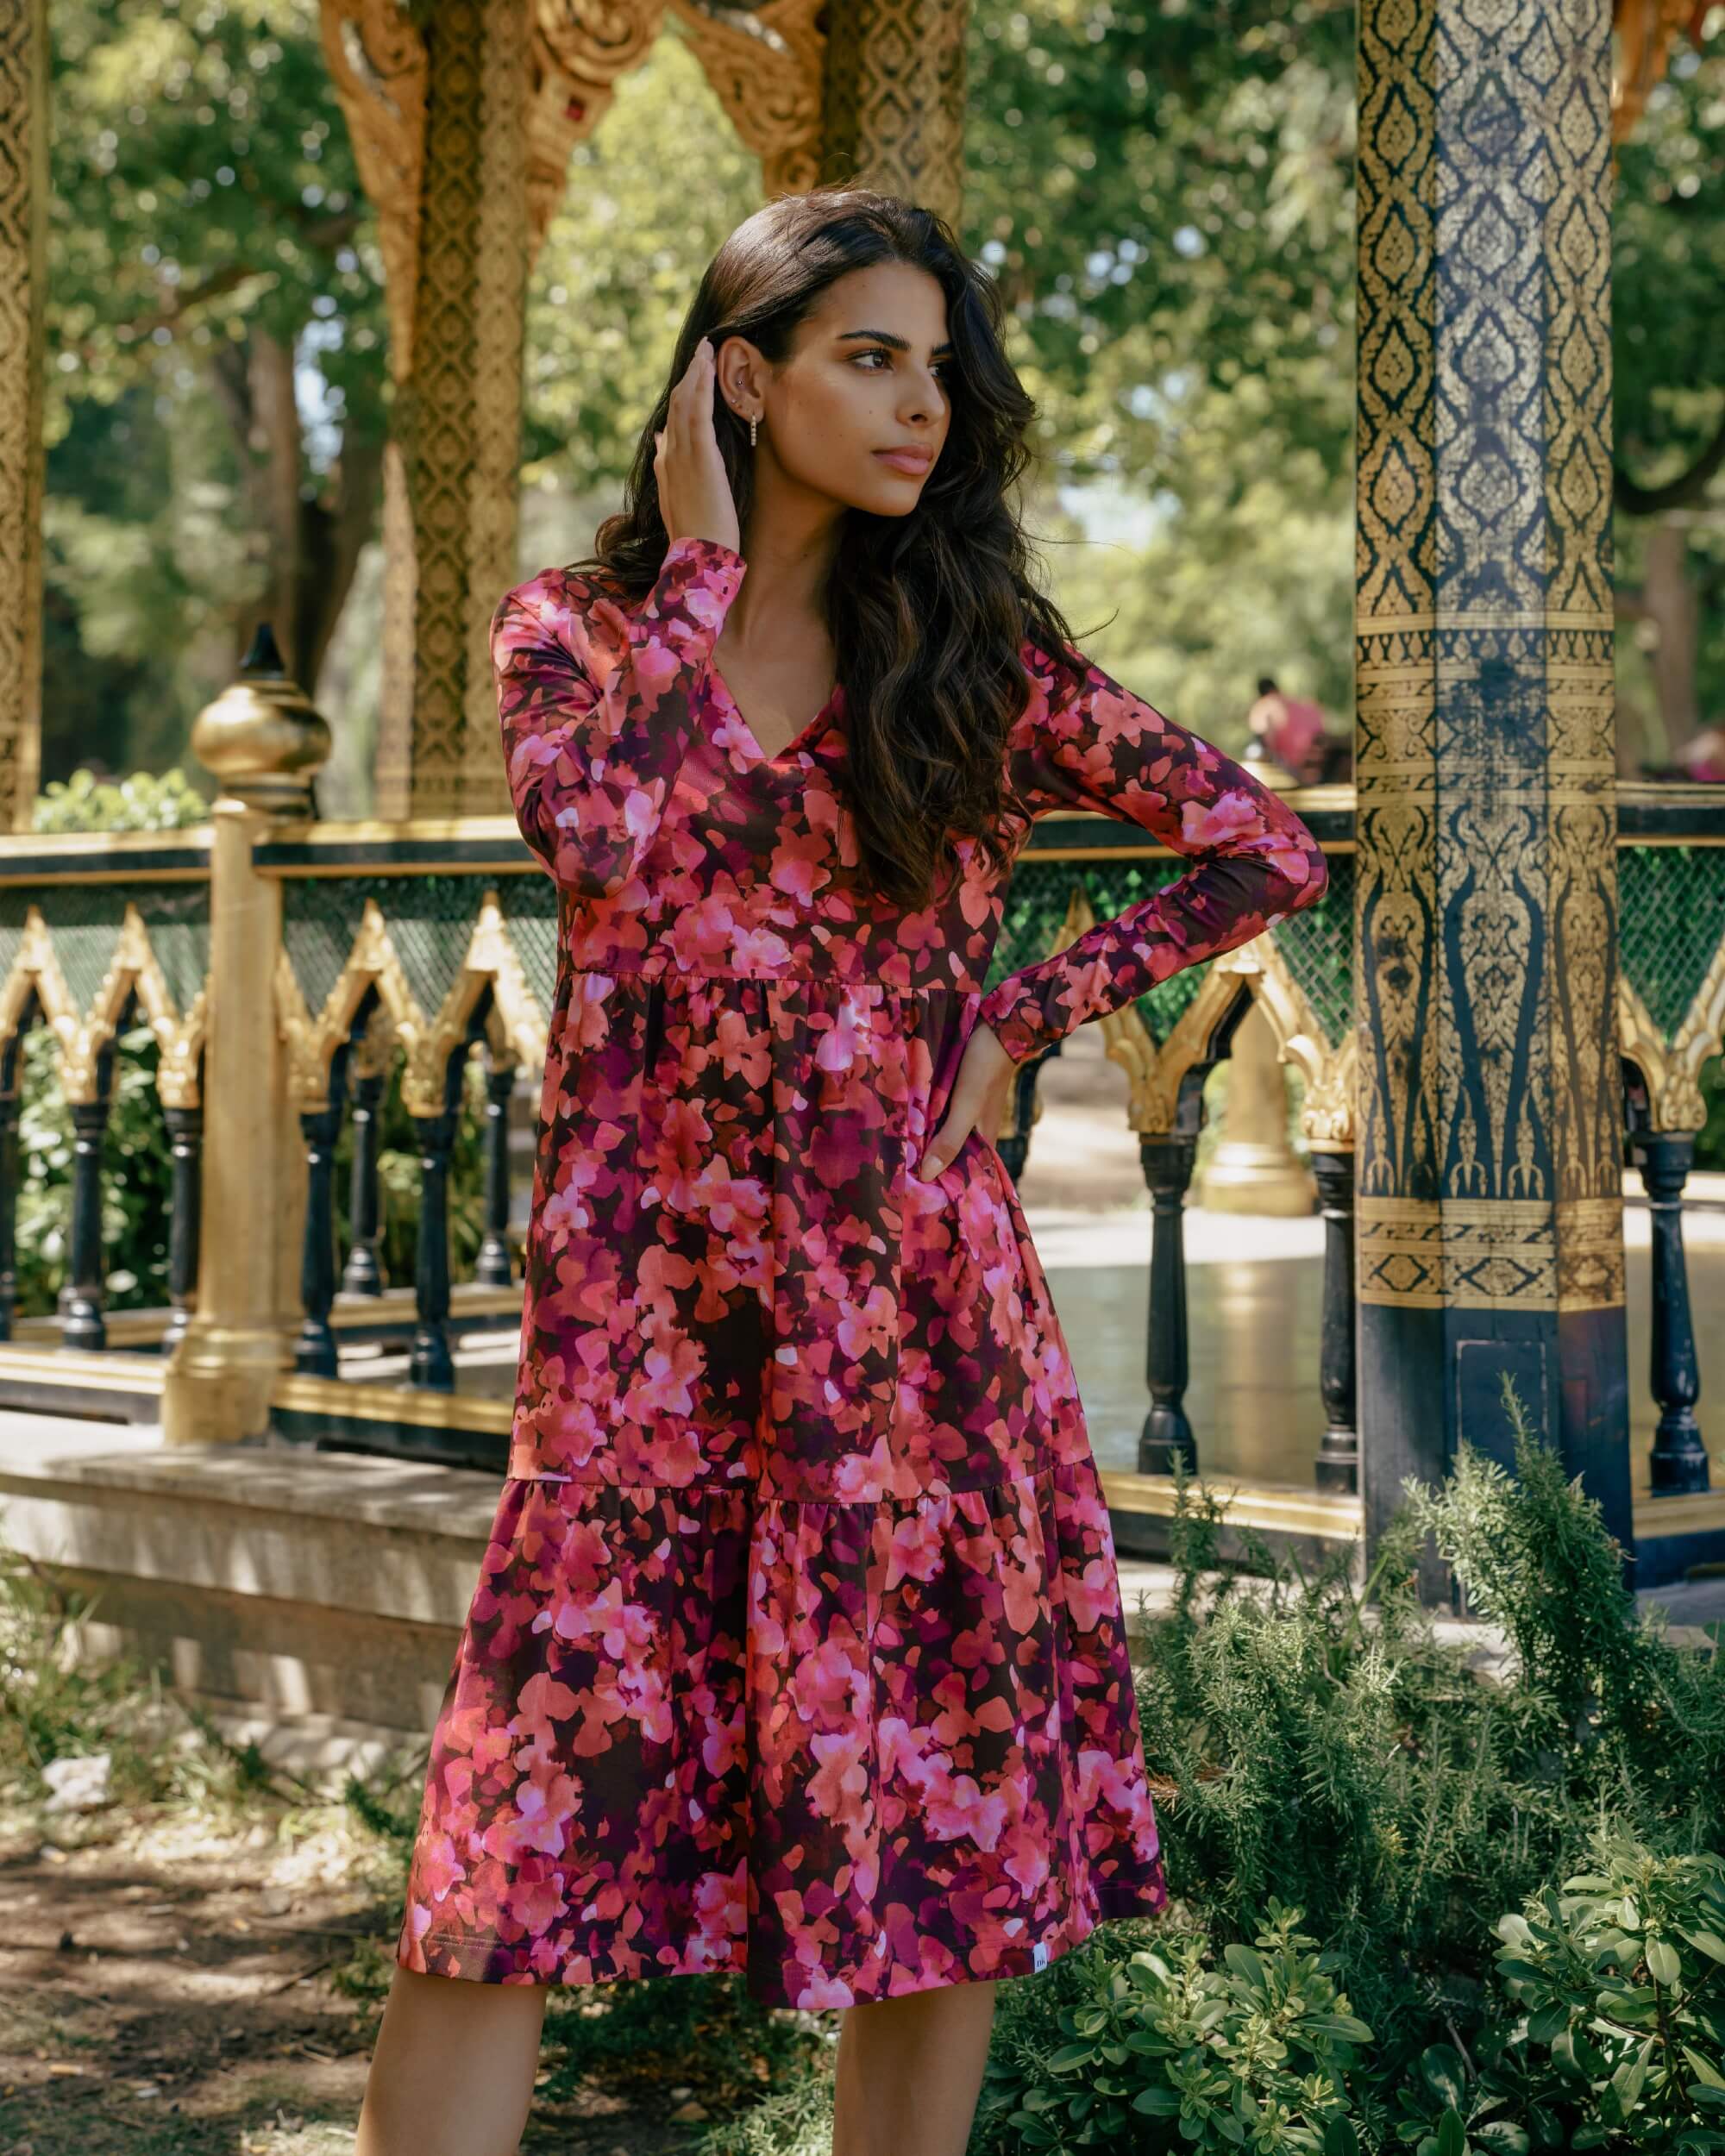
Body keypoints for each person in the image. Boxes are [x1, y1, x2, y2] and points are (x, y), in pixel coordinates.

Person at [354, 186, 1327, 2156]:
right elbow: (592, 838)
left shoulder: (971, 661)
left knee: (927, 1836)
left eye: (939, 368)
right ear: (741, 376)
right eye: (868, 357)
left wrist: (1021, 1009)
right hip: (641, 1325)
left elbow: (1256, 843)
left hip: (908, 1313)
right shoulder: (581, 632)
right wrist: (704, 574)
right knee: (501, 1858)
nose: (924, 406)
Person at [1247, 674, 1331, 785]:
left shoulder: (1264, 705)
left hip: (1286, 764)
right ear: (1276, 688)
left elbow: (1266, 737)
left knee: (1252, 751)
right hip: (1310, 758)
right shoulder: (1297, 702)